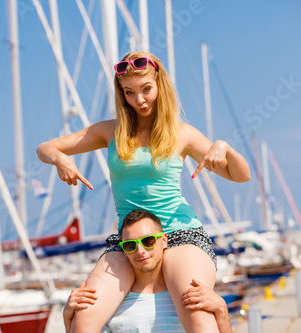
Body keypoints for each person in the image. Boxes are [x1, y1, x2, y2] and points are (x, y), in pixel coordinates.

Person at [36, 51, 250, 332]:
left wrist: (224, 147)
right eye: (129, 92)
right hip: (129, 241)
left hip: (180, 234)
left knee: (197, 312)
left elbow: (241, 175)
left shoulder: (181, 134)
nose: (139, 100)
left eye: (146, 89)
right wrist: (60, 159)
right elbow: (45, 148)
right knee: (83, 316)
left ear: (159, 84)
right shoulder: (110, 132)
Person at [62, 209, 231, 333]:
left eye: (148, 241)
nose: (140, 250)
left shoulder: (189, 296)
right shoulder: (110, 305)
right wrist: (69, 317)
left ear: (164, 240)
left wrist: (222, 312)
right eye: (130, 245)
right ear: (123, 249)